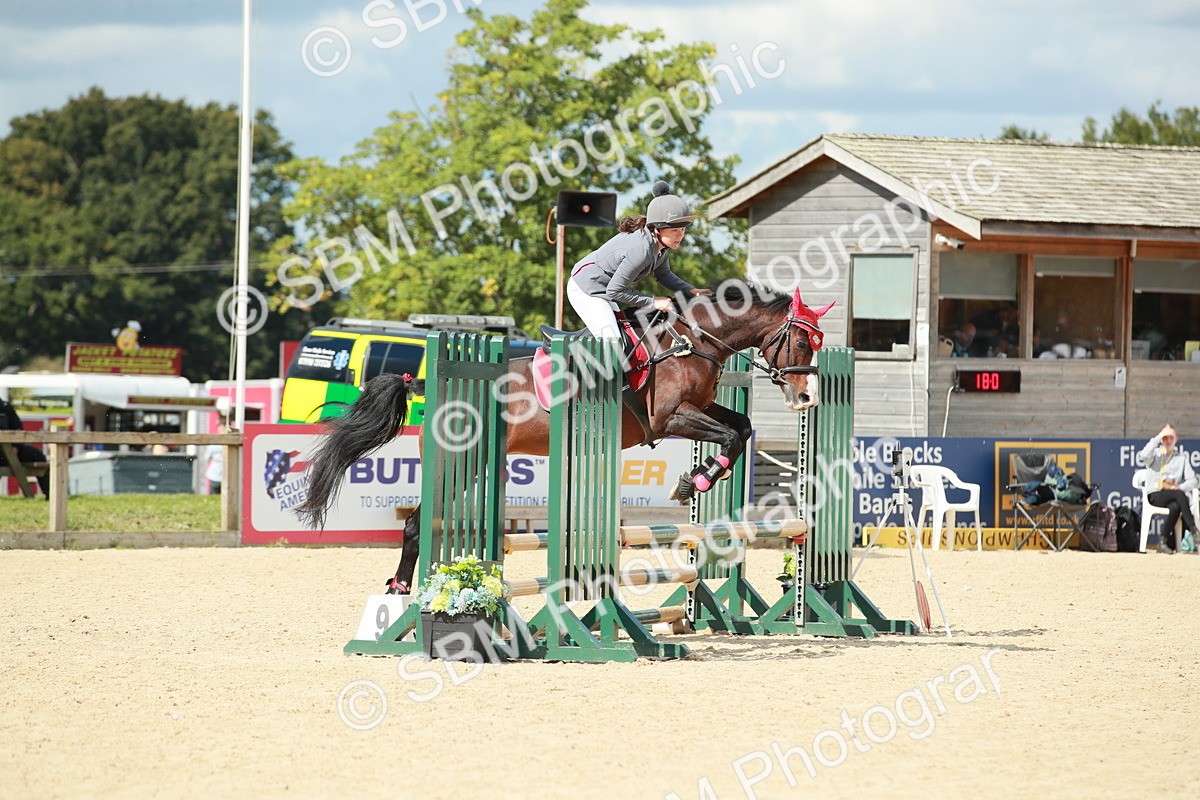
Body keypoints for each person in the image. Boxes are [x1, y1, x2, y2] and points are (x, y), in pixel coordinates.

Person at [567, 181, 713, 426]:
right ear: (657, 228)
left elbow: (664, 276)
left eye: (683, 228)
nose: (680, 234)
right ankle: (591, 404)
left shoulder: (659, 247)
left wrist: (691, 290)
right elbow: (615, 291)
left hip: (604, 289)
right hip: (587, 288)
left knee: (628, 338)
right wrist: (654, 301)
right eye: (675, 229)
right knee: (613, 342)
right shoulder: (640, 249)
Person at [1137, 423, 1199, 553]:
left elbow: (1194, 480)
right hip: (1155, 494)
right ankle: (1193, 530)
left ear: (1176, 439)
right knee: (1180, 495)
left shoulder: (1181, 459)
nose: (1168, 441)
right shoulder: (1155, 455)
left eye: (1171, 437)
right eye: (1165, 438)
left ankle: (1162, 541)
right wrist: (1158, 436)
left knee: (1176, 505)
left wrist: (1180, 486)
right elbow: (1143, 455)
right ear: (1161, 439)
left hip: (1171, 495)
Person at [0, 398, 51, 498]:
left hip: (11, 450)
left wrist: (16, 446)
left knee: (37, 455)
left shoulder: (6, 407)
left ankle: (51, 495)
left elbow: (19, 429)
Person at [205, 422, 226, 495]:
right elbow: (206, 459)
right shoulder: (214, 445)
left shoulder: (214, 444)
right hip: (216, 475)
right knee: (215, 495)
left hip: (224, 475)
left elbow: (206, 459)